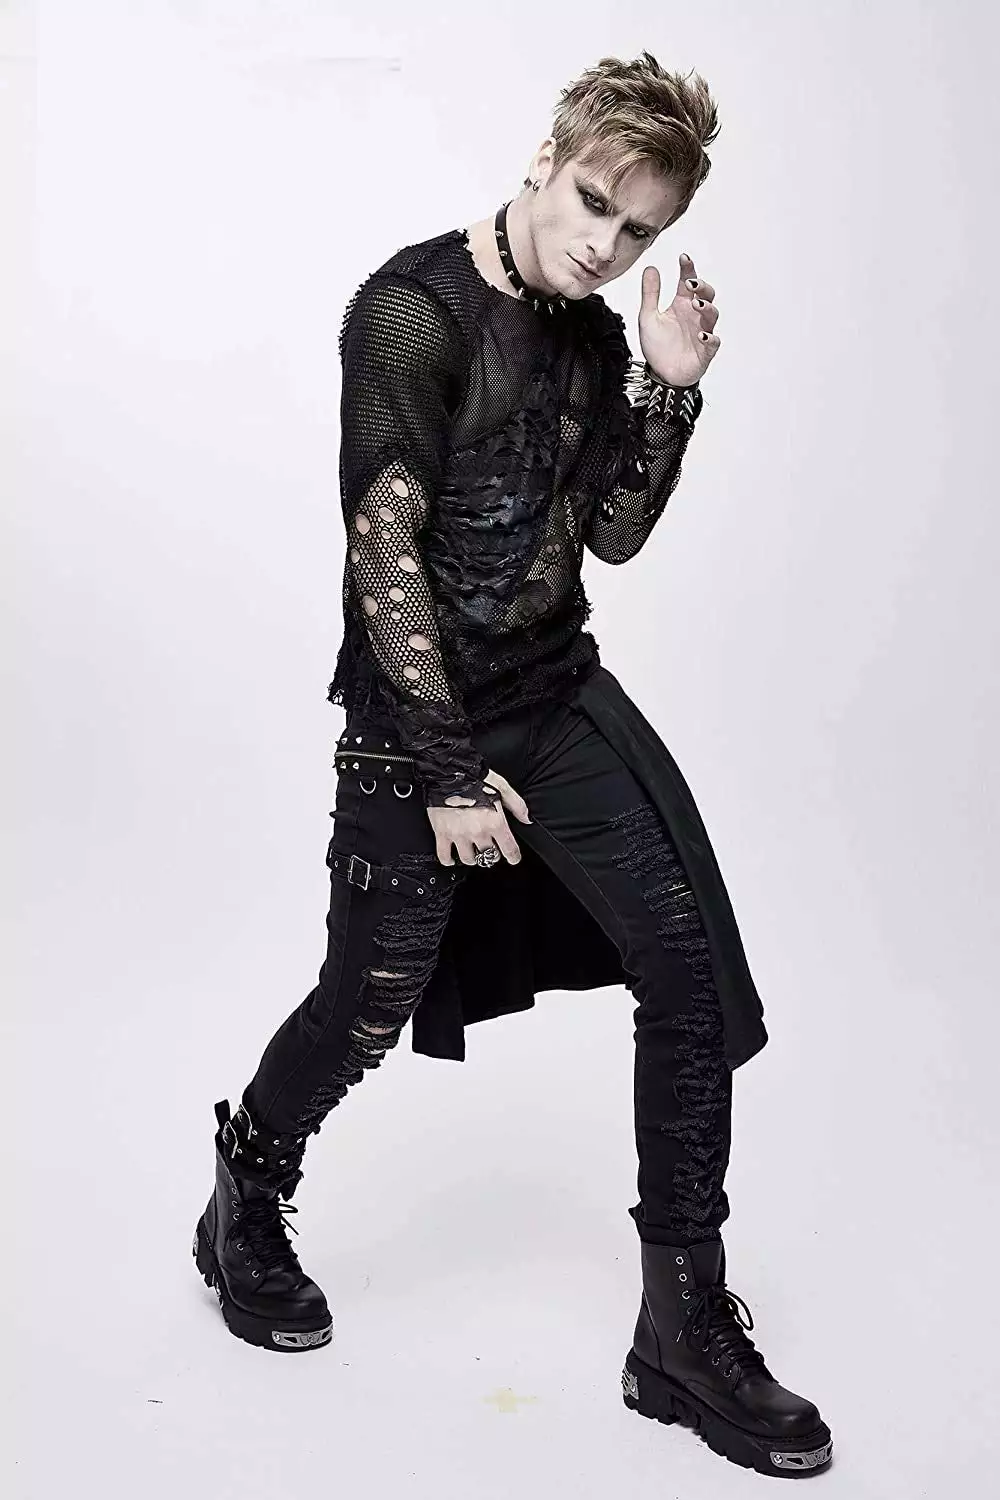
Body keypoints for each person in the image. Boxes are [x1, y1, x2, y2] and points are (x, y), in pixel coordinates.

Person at [192, 50, 832, 1478]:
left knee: (690, 976)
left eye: (639, 230)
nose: (606, 244)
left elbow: (608, 535)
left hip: (557, 698)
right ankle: (246, 1188)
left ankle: (681, 1326)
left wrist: (668, 392)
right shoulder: (410, 310)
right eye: (595, 202)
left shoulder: (594, 339)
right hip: (415, 718)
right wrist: (445, 774)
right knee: (366, 1005)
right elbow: (382, 553)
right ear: (547, 157)